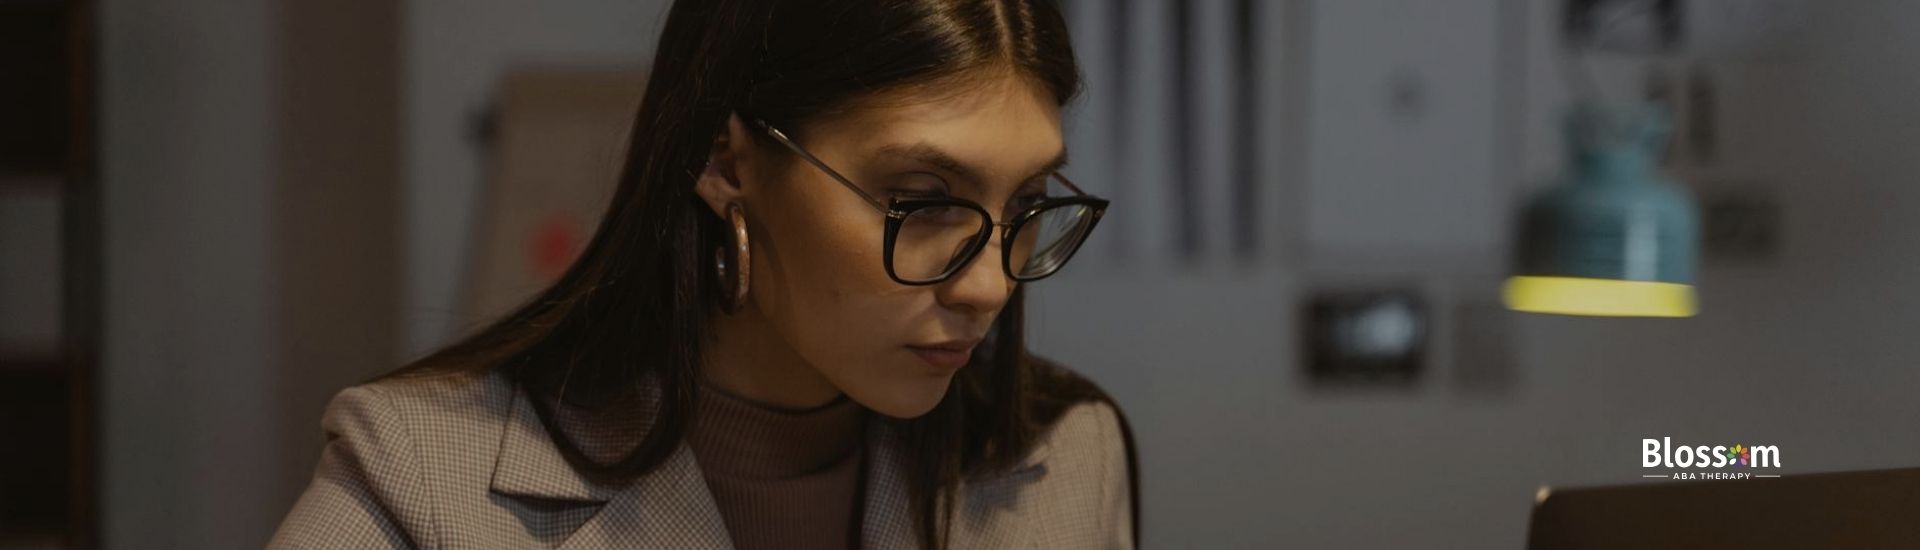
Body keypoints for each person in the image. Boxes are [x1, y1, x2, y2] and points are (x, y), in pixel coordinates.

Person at [270, 0, 1135, 548]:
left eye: (1026, 201)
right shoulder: (424, 479)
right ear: (727, 163)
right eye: (923, 201)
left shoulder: (1062, 456)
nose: (989, 286)